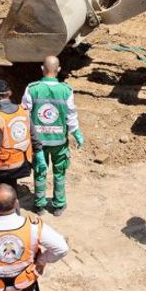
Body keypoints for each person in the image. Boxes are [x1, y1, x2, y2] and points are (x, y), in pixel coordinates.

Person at [22, 57, 83, 216]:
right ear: (59, 69)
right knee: (59, 172)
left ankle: (40, 205)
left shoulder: (32, 88)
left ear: (42, 68)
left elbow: (24, 114)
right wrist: (76, 133)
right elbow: (71, 116)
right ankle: (58, 205)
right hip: (59, 142)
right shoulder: (66, 90)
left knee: (40, 171)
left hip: (38, 142)